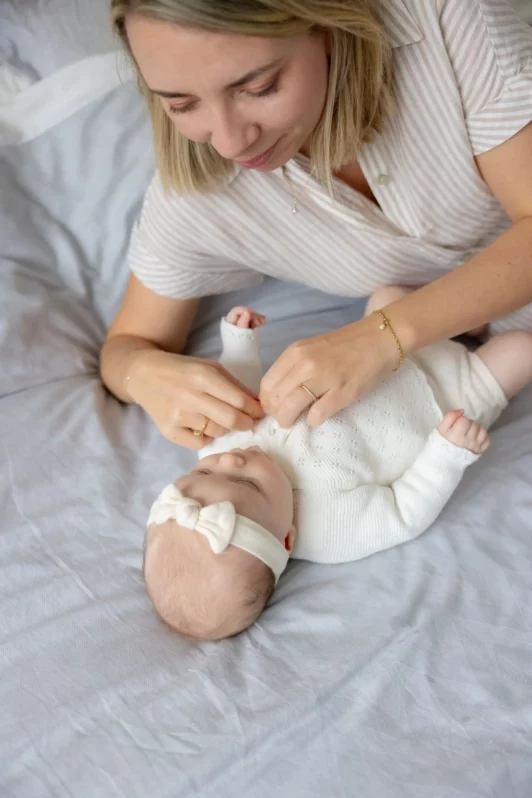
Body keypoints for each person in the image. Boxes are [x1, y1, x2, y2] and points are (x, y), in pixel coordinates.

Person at [101, 0, 532, 451]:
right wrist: (144, 376)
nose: (229, 142)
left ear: (324, 25)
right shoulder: (200, 194)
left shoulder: (442, 19)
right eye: (182, 104)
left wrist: (382, 336)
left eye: (260, 87)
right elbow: (127, 346)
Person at [143, 289, 532, 641]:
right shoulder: (330, 531)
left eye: (204, 471)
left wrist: (240, 345)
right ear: (287, 539)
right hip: (449, 395)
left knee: (389, 292)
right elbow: (404, 512)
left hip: (377, 347)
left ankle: (466, 316)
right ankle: (473, 326)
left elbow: (241, 394)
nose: (231, 458)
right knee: (520, 350)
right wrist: (447, 452)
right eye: (246, 483)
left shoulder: (224, 442)